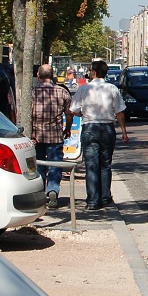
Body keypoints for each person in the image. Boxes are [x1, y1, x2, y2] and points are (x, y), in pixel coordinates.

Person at [69, 60, 128, 210]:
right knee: (105, 164)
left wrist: (82, 113)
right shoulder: (112, 89)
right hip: (107, 128)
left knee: (91, 165)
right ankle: (105, 197)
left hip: (89, 127)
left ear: (93, 72)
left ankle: (93, 200)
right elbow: (120, 112)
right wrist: (124, 132)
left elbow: (73, 109)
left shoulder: (84, 89)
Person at [32, 64, 73, 209]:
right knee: (55, 165)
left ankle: (40, 193)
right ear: (53, 75)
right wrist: (68, 129)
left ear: (38, 75)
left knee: (38, 166)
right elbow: (69, 114)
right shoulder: (62, 92)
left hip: (35, 136)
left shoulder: (32, 92)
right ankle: (53, 190)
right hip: (55, 136)